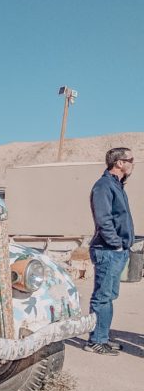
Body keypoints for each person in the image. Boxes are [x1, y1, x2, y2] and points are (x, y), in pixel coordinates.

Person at [86, 147, 135, 354]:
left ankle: (102, 338)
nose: (134, 163)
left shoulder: (117, 186)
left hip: (116, 250)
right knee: (102, 297)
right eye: (131, 159)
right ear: (119, 163)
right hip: (107, 250)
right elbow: (104, 219)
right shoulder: (104, 186)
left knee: (109, 296)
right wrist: (115, 243)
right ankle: (95, 341)